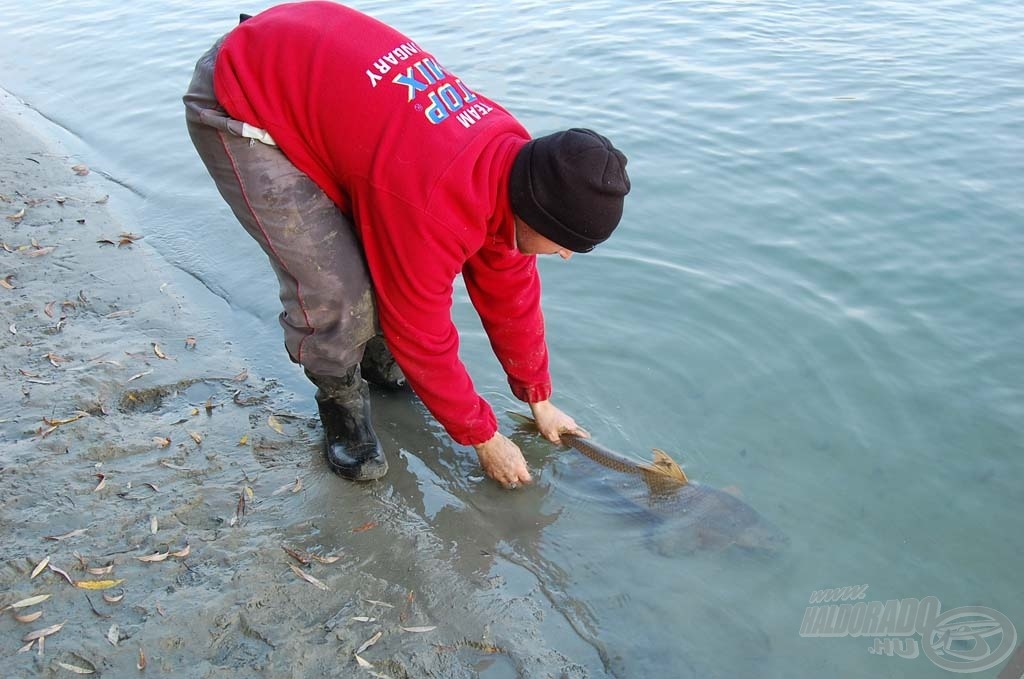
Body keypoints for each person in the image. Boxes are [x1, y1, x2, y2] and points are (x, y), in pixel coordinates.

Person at [183, 2, 630, 489]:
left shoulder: (516, 164)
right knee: (335, 288)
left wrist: (537, 397)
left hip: (309, 59)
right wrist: (483, 437)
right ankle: (343, 411)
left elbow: (510, 291)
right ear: (535, 211)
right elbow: (421, 331)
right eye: (566, 243)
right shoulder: (435, 201)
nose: (564, 255)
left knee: (382, 251)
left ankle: (377, 359)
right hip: (244, 92)